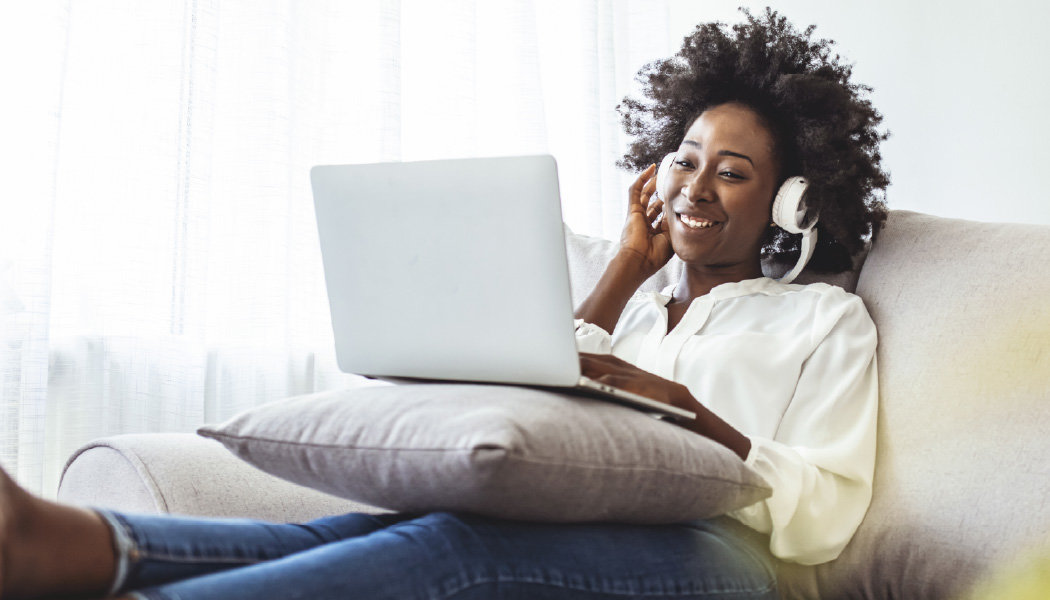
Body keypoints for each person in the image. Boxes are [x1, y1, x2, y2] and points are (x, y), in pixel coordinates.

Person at [0, 9, 888, 600]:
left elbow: (825, 513)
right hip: (575, 514)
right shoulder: (637, 302)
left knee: (457, 556)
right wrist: (624, 268)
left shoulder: (822, 322)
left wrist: (693, 416)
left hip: (728, 563)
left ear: (788, 199)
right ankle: (74, 542)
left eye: (732, 173)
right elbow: (538, 394)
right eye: (684, 160)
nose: (695, 186)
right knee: (378, 530)